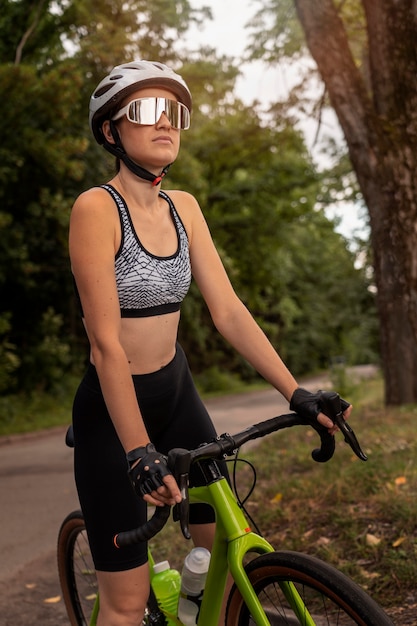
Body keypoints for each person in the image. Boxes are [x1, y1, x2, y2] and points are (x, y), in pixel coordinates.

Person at [69, 60, 352, 626]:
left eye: (174, 113)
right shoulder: (97, 208)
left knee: (228, 546)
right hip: (114, 414)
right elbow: (105, 345)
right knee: (125, 604)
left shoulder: (186, 208)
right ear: (111, 130)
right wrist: (137, 453)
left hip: (177, 394)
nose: (165, 123)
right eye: (146, 111)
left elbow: (228, 312)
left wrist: (295, 393)